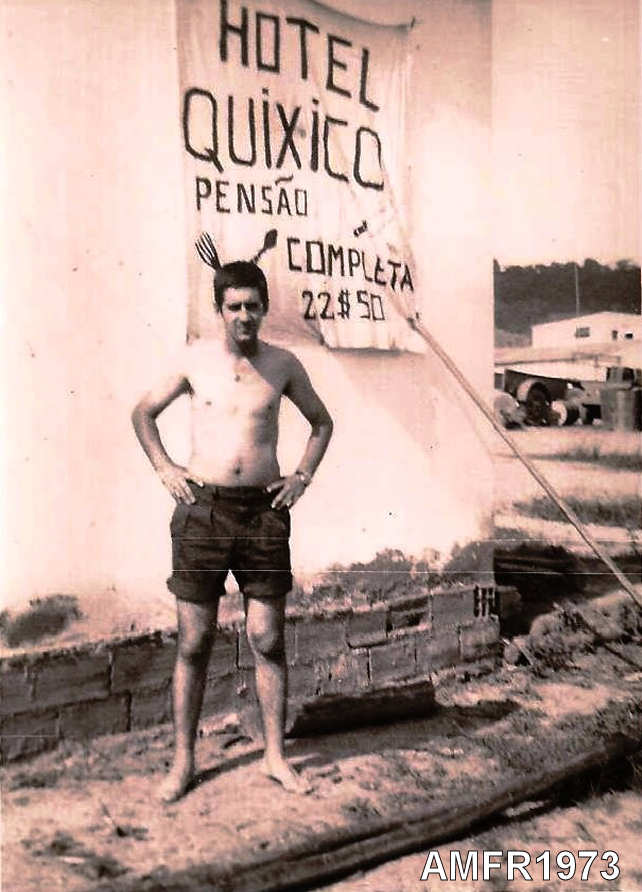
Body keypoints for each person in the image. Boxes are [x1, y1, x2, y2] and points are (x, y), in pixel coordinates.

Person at [132, 260, 333, 802]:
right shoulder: (194, 361)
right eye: (234, 307)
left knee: (267, 638)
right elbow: (143, 413)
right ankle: (184, 762)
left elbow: (322, 422)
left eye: (253, 306)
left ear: (265, 308)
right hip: (203, 512)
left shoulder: (283, 364)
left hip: (263, 515)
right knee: (194, 641)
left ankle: (274, 757)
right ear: (219, 311)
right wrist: (165, 468)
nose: (245, 316)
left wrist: (302, 476)